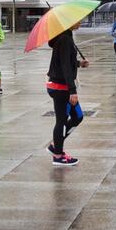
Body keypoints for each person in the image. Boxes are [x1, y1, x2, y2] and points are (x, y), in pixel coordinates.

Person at [46, 21, 89, 166]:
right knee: (62, 121)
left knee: (78, 116)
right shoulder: (64, 38)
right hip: (60, 87)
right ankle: (58, 155)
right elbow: (64, 65)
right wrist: (73, 91)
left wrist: (78, 64)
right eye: (78, 20)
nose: (80, 22)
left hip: (61, 85)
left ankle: (56, 145)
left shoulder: (66, 36)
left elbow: (66, 61)